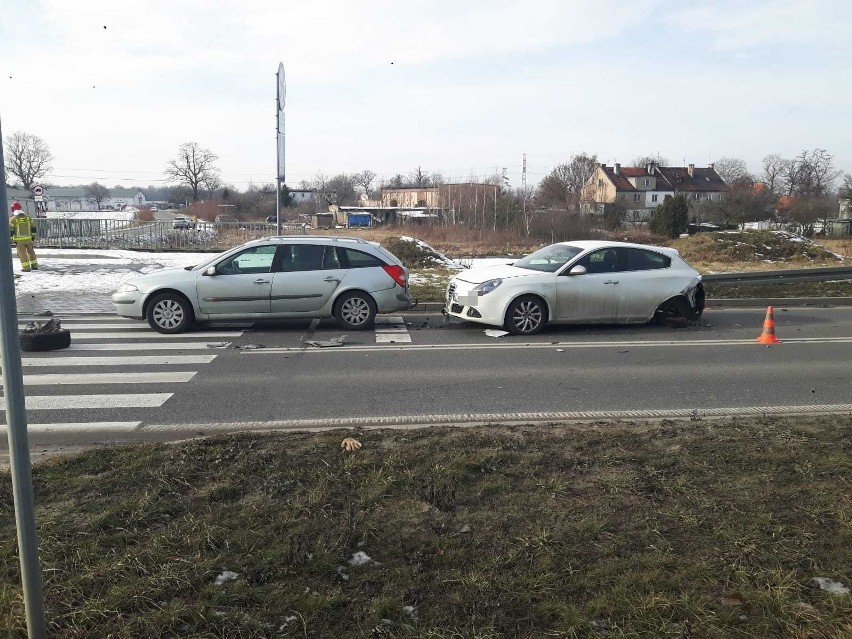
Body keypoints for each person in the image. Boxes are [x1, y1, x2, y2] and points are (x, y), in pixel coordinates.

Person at [9, 201, 38, 271]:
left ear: (13, 210)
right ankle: (35, 266)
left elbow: (11, 231)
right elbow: (34, 229)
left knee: (22, 253)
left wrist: (10, 239)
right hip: (28, 239)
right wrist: (33, 238)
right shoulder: (28, 218)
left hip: (19, 240)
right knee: (31, 252)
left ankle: (26, 268)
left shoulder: (12, 219)